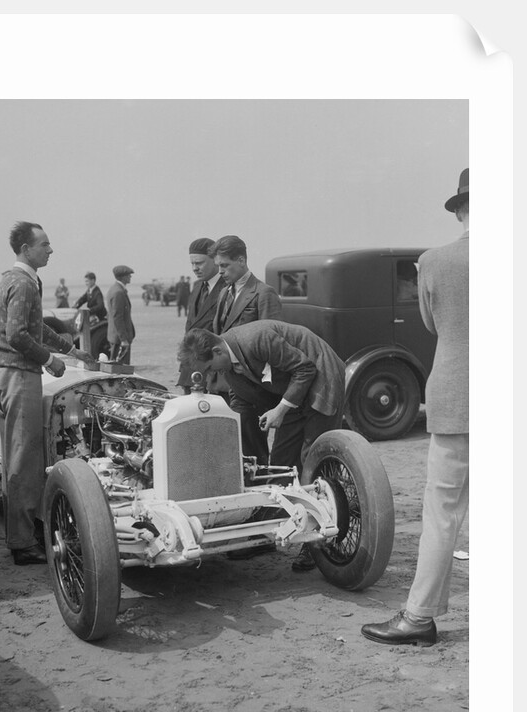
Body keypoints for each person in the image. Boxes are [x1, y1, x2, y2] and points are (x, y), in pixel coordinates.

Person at [362, 168, 469, 647]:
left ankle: (419, 616)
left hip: (455, 397)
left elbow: (431, 324)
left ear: (461, 210)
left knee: (442, 512)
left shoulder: (433, 261)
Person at [0, 221, 95, 566]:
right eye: (44, 244)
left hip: (4, 374)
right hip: (18, 376)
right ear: (26, 249)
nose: (50, 249)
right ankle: (22, 543)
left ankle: (20, 534)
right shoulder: (24, 283)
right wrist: (50, 361)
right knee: (24, 463)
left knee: (15, 460)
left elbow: (35, 327)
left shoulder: (14, 279)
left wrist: (71, 351)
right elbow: (17, 335)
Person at [179, 321, 345, 475]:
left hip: (321, 376)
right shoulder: (227, 366)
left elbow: (305, 369)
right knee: (282, 461)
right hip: (293, 390)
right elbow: (241, 401)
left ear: (217, 351)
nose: (210, 374)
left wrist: (280, 410)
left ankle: (334, 501)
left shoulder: (256, 339)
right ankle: (287, 505)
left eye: (209, 368)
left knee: (314, 455)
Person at [210, 235, 284, 448]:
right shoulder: (225, 292)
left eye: (225, 265)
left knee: (252, 443)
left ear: (241, 260)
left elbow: (274, 344)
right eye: (218, 266)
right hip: (229, 383)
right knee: (234, 442)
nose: (220, 271)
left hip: (254, 388)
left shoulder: (263, 293)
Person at [176, 237, 227, 394]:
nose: (194, 268)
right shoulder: (197, 286)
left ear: (215, 260)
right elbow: (190, 326)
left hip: (213, 370)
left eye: (199, 263)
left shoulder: (227, 287)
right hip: (190, 370)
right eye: (192, 263)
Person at [106, 265, 136, 364]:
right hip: (119, 339)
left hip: (117, 337)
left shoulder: (114, 289)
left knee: (117, 367)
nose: (130, 277)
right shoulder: (118, 292)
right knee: (120, 370)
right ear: (123, 277)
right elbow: (117, 317)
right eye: (128, 275)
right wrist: (123, 339)